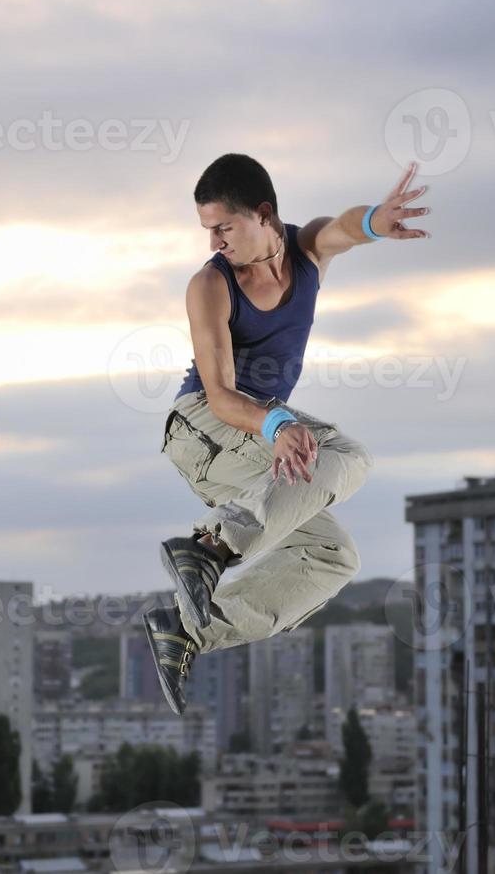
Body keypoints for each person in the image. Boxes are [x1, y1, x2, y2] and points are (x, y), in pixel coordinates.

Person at [143, 153, 431, 715]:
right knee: (347, 454)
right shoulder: (210, 285)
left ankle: (186, 631)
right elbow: (221, 394)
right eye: (208, 231)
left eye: (223, 228)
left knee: (333, 556)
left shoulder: (306, 252)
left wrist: (376, 219)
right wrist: (278, 423)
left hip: (254, 432)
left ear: (263, 214)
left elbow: (344, 228)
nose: (214, 243)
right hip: (205, 425)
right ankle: (211, 546)